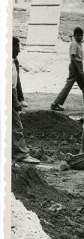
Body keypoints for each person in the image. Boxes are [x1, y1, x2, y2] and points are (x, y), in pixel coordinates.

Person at [12, 37, 39, 165]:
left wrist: (20, 98)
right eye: (17, 48)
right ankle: (21, 154)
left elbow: (17, 83)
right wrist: (15, 102)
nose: (19, 51)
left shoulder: (14, 62)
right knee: (17, 126)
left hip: (12, 95)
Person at [51, 27, 84, 111]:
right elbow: (73, 58)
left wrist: (81, 69)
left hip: (79, 65)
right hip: (75, 66)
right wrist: (79, 70)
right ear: (74, 36)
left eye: (81, 35)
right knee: (70, 85)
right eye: (77, 35)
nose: (79, 37)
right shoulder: (74, 44)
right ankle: (55, 104)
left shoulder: (79, 44)